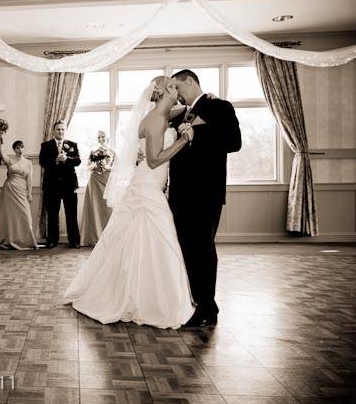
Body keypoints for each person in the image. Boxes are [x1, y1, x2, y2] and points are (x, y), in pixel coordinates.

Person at [63, 76, 195, 329]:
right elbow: (155, 160)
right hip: (148, 185)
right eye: (175, 86)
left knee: (139, 238)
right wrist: (183, 140)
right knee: (159, 237)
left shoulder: (159, 115)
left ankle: (137, 291)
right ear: (166, 90)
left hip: (149, 184)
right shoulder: (156, 119)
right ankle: (151, 301)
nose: (179, 90)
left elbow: (181, 109)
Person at [169, 69, 242, 327]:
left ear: (190, 81)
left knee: (203, 249)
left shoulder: (219, 106)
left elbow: (234, 142)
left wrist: (198, 132)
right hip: (178, 196)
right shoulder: (178, 114)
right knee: (187, 250)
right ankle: (193, 302)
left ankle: (207, 308)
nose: (175, 95)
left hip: (205, 193)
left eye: (177, 88)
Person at [38, 121, 81, 248]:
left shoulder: (72, 145)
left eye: (62, 129)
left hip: (69, 185)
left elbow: (78, 161)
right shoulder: (45, 145)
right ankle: (52, 240)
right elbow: (42, 162)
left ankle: (74, 241)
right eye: (58, 129)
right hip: (52, 186)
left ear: (65, 131)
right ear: (53, 131)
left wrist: (67, 159)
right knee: (52, 215)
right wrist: (56, 160)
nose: (60, 132)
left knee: (71, 214)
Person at [0, 133, 38, 250]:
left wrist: (29, 194)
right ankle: (9, 239)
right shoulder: (10, 160)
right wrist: (2, 141)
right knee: (9, 216)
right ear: (14, 150)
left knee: (25, 215)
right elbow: (2, 154)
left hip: (21, 190)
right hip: (9, 190)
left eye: (21, 147)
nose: (20, 150)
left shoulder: (28, 163)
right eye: (17, 148)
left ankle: (26, 240)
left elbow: (29, 179)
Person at [80, 130, 115, 246]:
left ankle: (109, 236)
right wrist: (94, 165)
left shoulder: (112, 151)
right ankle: (95, 236)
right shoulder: (93, 151)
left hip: (107, 181)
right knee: (95, 207)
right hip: (94, 181)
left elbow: (117, 167)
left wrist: (108, 167)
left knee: (108, 209)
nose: (101, 139)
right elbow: (88, 166)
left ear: (107, 138)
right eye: (99, 137)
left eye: (103, 137)